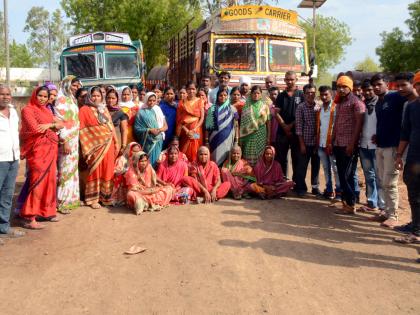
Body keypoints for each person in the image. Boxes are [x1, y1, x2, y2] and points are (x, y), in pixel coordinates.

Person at [20, 86, 62, 229]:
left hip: (50, 150)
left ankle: (45, 212)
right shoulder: (27, 110)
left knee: (49, 181)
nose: (43, 99)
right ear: (34, 95)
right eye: (40, 96)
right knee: (37, 182)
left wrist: (49, 125)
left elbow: (62, 124)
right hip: (37, 151)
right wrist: (52, 128)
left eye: (45, 96)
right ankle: (28, 217)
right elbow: (34, 128)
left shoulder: (46, 110)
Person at [371, 73, 406, 227]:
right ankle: (386, 211)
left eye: (379, 84)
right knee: (381, 180)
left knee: (389, 182)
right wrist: (377, 136)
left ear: (386, 83)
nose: (376, 87)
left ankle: (393, 215)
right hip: (380, 146)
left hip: (393, 147)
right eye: (374, 85)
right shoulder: (379, 102)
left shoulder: (396, 97)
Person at [79, 86, 117, 208]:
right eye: (94, 96)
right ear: (89, 97)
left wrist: (116, 141)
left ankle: (106, 197)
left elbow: (110, 127)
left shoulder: (104, 108)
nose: (96, 98)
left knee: (108, 169)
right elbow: (83, 130)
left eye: (98, 96)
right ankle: (92, 199)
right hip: (94, 146)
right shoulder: (84, 110)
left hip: (108, 144)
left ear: (102, 97)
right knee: (95, 170)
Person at [332, 76, 365, 214]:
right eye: (339, 87)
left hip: (348, 145)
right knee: (342, 174)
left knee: (347, 175)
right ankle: (346, 204)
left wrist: (352, 144)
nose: (341, 89)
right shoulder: (339, 102)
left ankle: (351, 204)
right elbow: (337, 123)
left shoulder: (356, 103)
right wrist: (332, 141)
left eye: (344, 87)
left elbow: (358, 125)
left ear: (350, 88)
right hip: (338, 143)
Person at [393, 71, 420, 243]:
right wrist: (398, 156)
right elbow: (405, 133)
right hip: (414, 158)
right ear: (416, 85)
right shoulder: (412, 107)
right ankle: (416, 230)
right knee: (414, 195)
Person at [0, 85, 25, 239]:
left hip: (13, 159)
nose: (5, 97)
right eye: (2, 94)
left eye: (8, 94)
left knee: (7, 195)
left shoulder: (14, 112)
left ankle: (3, 228)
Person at [55, 76, 81, 214]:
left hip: (74, 140)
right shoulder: (60, 99)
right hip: (66, 141)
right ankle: (62, 201)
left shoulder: (72, 99)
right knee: (65, 169)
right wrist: (64, 141)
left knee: (72, 169)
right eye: (74, 85)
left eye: (77, 85)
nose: (76, 88)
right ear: (66, 84)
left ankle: (71, 199)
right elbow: (59, 122)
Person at [358, 80, 384, 211]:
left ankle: (382, 205)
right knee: (369, 175)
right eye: (365, 90)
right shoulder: (362, 105)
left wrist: (379, 134)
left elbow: (385, 124)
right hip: (363, 145)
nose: (367, 92)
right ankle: (371, 202)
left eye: (370, 90)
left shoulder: (380, 104)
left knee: (380, 176)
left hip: (376, 146)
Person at [274, 70, 304, 180]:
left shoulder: (301, 95)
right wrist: (284, 126)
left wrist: (291, 125)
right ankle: (282, 181)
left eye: (292, 79)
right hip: (282, 132)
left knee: (297, 158)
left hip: (297, 132)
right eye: (288, 79)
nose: (290, 81)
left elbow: (302, 114)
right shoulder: (281, 96)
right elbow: (276, 112)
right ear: (285, 80)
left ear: (296, 80)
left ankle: (297, 183)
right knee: (281, 158)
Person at [295, 83, 320, 197]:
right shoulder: (300, 107)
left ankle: (315, 188)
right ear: (304, 94)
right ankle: (301, 188)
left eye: (312, 93)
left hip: (317, 143)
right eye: (308, 93)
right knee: (302, 167)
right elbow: (299, 128)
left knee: (316, 166)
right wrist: (302, 144)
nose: (310, 95)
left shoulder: (318, 107)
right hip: (304, 142)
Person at [316, 85, 341, 200]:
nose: (324, 97)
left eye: (326, 94)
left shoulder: (336, 107)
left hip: (332, 144)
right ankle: (329, 189)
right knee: (326, 168)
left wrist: (333, 142)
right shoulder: (320, 109)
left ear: (332, 94)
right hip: (321, 144)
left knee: (335, 168)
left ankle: (339, 191)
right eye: (322, 95)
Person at [205, 87, 239, 166]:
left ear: (228, 96)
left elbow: (236, 126)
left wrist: (236, 141)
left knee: (227, 160)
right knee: (215, 160)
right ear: (217, 96)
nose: (223, 97)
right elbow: (207, 127)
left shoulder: (233, 109)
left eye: (225, 95)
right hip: (214, 139)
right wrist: (206, 141)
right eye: (221, 95)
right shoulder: (212, 109)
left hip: (228, 139)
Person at [134, 92, 167, 167]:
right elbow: (137, 128)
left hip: (158, 140)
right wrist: (149, 130)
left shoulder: (157, 110)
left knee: (157, 161)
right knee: (147, 161)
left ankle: (155, 176)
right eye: (150, 100)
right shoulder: (141, 112)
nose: (152, 102)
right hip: (147, 142)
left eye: (153, 100)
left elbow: (165, 126)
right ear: (146, 100)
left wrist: (158, 130)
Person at [240, 85, 271, 166]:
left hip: (261, 134)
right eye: (254, 93)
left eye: (258, 93)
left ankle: (259, 175)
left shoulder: (265, 106)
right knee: (248, 155)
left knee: (260, 156)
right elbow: (243, 122)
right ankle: (249, 175)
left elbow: (268, 122)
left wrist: (268, 137)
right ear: (251, 94)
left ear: (261, 94)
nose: (256, 95)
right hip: (248, 136)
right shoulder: (246, 106)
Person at [176, 81, 205, 162]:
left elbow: (202, 118)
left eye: (193, 89)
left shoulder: (200, 101)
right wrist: (187, 131)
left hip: (197, 131)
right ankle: (185, 168)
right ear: (186, 90)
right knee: (184, 149)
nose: (191, 91)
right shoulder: (182, 102)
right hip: (185, 131)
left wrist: (194, 129)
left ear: (196, 90)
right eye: (189, 89)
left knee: (196, 147)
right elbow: (179, 119)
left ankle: (195, 167)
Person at [112, 142, 142, 206]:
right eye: (134, 151)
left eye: (138, 151)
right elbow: (116, 172)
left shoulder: (140, 159)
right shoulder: (121, 159)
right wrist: (126, 171)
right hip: (124, 179)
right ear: (129, 150)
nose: (136, 153)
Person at [106, 89, 128, 155]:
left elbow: (124, 130)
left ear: (117, 99)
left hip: (117, 141)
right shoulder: (102, 110)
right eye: (108, 98)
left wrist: (123, 146)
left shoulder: (120, 112)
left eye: (113, 98)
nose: (110, 100)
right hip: (104, 142)